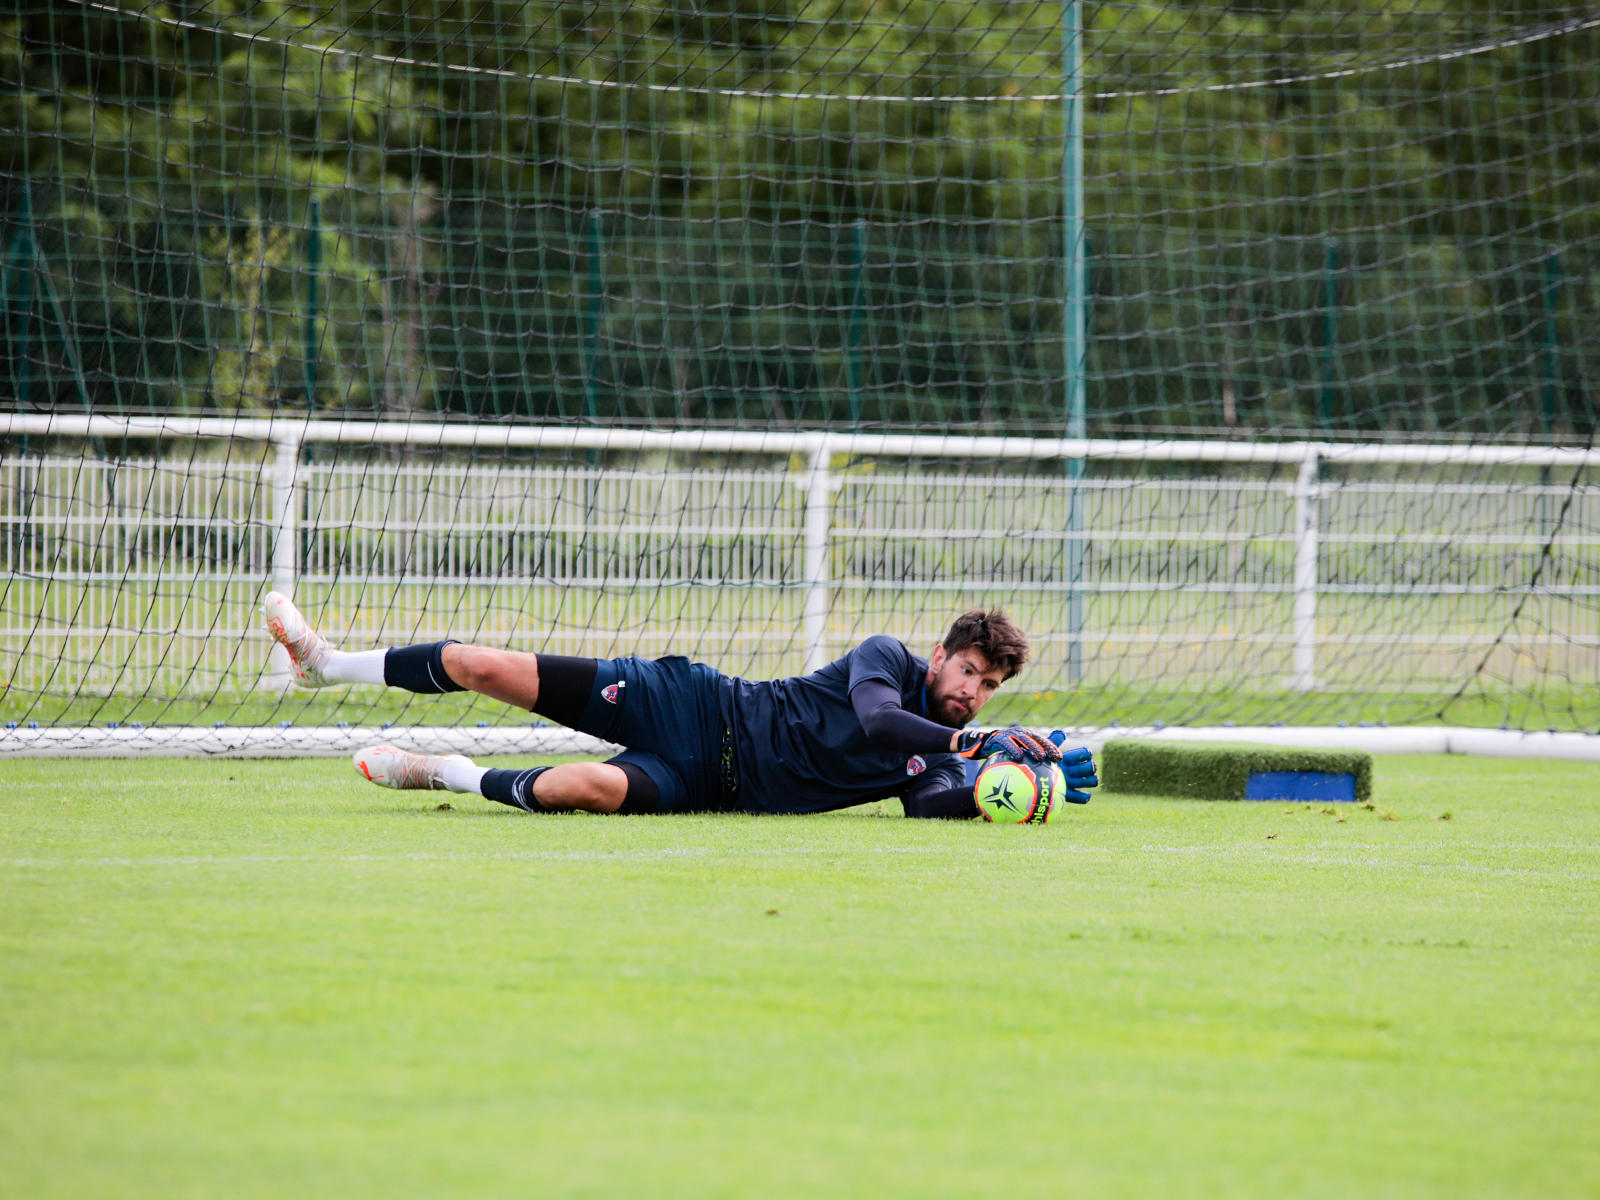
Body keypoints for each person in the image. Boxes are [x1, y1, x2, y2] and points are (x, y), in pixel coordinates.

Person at [262, 595, 1097, 818]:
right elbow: (880, 720)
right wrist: (983, 741)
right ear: (942, 656)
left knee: (584, 788)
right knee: (478, 664)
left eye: (990, 687)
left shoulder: (944, 751)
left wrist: (1022, 787)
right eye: (969, 672)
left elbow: (931, 803)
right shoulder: (887, 660)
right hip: (694, 705)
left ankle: (447, 772)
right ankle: (327, 664)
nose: (972, 693)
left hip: (705, 787)